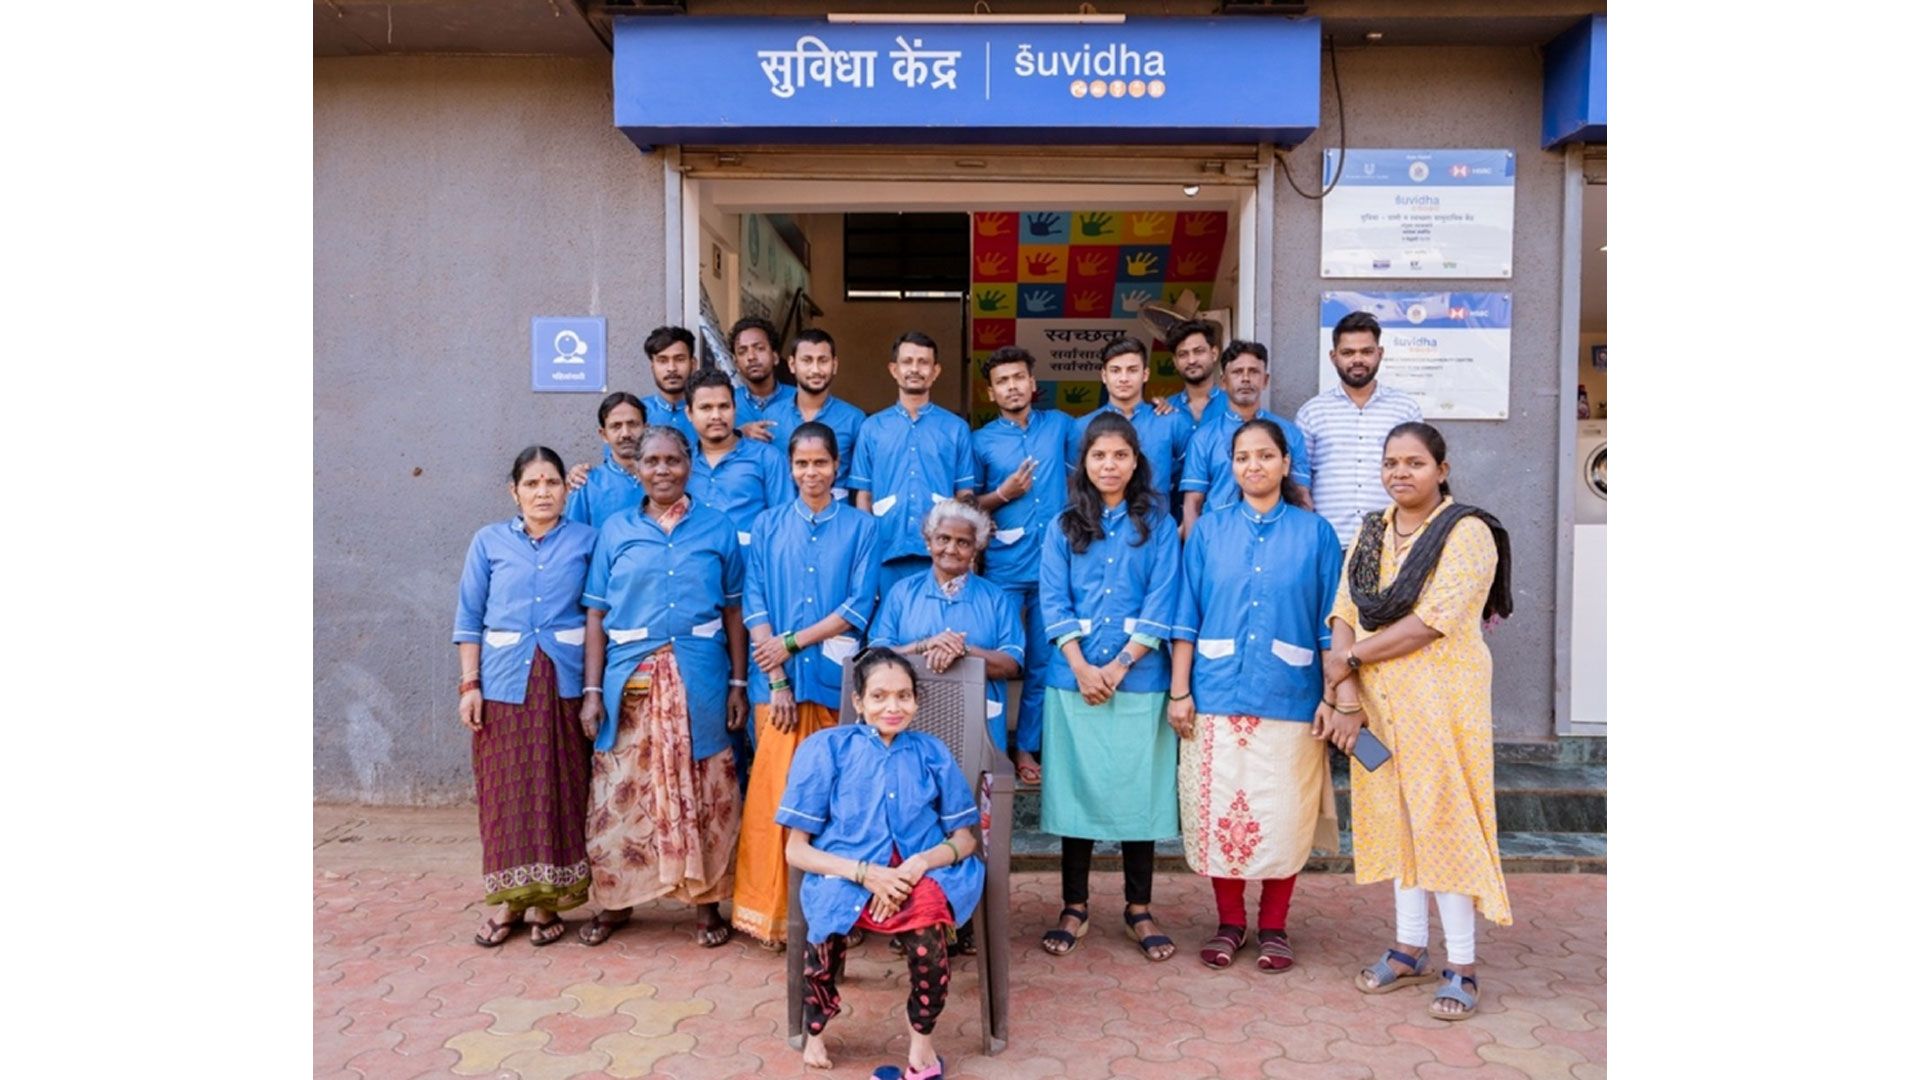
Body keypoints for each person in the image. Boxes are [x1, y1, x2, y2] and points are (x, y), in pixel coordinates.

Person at [1325, 421, 1515, 1022]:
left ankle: (1462, 963)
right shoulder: (1372, 531)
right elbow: (1344, 610)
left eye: (1414, 463)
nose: (1400, 473)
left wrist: (1349, 660)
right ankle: (1409, 948)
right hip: (1380, 702)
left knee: (1444, 822)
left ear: (1442, 469)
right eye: (1391, 463)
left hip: (1442, 705)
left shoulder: (1467, 533)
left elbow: (1432, 620)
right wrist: (1346, 691)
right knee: (1396, 818)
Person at [1169, 419, 1343, 973]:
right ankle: (1229, 923)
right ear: (1232, 466)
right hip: (1215, 694)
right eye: (1243, 457)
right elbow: (1186, 615)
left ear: (1286, 463)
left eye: (1265, 456)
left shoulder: (1315, 534)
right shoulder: (1209, 531)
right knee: (1223, 815)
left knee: (1282, 817)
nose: (1254, 466)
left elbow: (1332, 624)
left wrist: (1333, 695)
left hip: (1291, 696)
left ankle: (1274, 926)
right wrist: (1179, 691)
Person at [576, 425, 749, 949]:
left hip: (702, 679)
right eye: (652, 461)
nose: (662, 470)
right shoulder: (616, 530)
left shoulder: (718, 528)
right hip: (630, 683)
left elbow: (734, 610)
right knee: (621, 790)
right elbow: (595, 613)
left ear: (689, 464)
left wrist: (738, 682)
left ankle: (706, 903)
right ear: (638, 468)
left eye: (673, 460)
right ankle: (617, 900)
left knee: (706, 787)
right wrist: (591, 692)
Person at [780, 648, 983, 1078]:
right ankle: (815, 1029)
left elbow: (965, 839)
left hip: (920, 870)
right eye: (879, 696)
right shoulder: (826, 749)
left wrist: (917, 866)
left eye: (904, 696)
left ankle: (922, 1045)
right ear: (858, 701)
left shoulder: (932, 752)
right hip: (845, 871)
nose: (893, 707)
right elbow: (796, 851)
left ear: (916, 701)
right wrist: (867, 875)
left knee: (928, 932)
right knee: (828, 917)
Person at [1035, 413, 1183, 963]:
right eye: (1099, 455)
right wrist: (1080, 666)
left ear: (1136, 461)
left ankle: (1138, 907)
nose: (1109, 465)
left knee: (1138, 795)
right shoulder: (1063, 525)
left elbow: (1163, 599)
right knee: (1077, 795)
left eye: (1120, 455)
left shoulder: (1158, 524)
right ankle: (1073, 906)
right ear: (1084, 463)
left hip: (1139, 682)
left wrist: (1120, 666)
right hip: (1073, 682)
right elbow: (1054, 600)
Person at [731, 422, 881, 950]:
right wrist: (777, 678)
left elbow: (857, 607)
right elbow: (754, 603)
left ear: (837, 466)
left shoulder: (862, 528)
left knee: (839, 803)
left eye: (821, 463)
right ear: (790, 467)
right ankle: (772, 916)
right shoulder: (768, 525)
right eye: (802, 463)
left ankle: (838, 918)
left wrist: (792, 643)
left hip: (835, 682)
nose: (811, 473)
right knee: (776, 797)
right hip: (778, 689)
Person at [453, 446, 598, 947]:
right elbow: (469, 618)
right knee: (506, 794)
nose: (542, 492)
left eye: (551, 482)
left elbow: (598, 615)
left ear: (565, 489)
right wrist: (470, 685)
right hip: (502, 685)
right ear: (513, 492)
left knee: (560, 788)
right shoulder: (488, 542)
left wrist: (593, 690)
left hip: (563, 682)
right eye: (532, 484)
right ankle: (510, 903)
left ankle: (547, 902)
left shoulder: (587, 540)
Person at [970, 346, 1074, 785]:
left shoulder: (1062, 426)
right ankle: (989, 747)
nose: (1012, 387)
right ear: (991, 393)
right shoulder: (980, 442)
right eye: (1002, 381)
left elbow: (1108, 439)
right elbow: (967, 505)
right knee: (997, 659)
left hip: (1056, 567)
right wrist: (1003, 495)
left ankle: (1027, 746)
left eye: (1018, 378)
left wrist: (1161, 407)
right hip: (1004, 568)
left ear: (1033, 383)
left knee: (1043, 663)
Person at [869, 500, 1024, 755]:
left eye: (963, 542)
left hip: (978, 726)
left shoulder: (996, 598)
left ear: (976, 549)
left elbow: (1011, 663)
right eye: (943, 539)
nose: (951, 549)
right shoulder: (902, 593)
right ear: (928, 542)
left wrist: (963, 651)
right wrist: (924, 646)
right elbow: (875, 656)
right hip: (913, 722)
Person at [850, 331, 976, 601]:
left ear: (936, 371)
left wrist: (967, 554)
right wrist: (865, 553)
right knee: (887, 624)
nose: (915, 369)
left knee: (940, 622)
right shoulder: (872, 428)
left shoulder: (956, 429)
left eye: (923, 362)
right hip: (885, 550)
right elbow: (864, 497)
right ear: (894, 369)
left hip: (942, 553)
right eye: (907, 361)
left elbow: (965, 496)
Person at [1294, 311, 1424, 542]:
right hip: (1329, 539)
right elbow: (1299, 483)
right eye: (1348, 352)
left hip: (1391, 541)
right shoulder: (1312, 413)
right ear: (1333, 356)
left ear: (1380, 353)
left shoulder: (1405, 410)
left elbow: (1417, 476)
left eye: (1366, 351)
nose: (1357, 359)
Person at [1179, 340, 1312, 536]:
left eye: (1254, 372)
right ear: (1223, 382)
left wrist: (1304, 542)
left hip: (1277, 537)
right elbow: (1192, 504)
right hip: (1219, 538)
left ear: (1265, 380)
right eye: (1237, 372)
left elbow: (1302, 497)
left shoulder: (1289, 434)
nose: (1246, 379)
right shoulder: (1204, 437)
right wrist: (1194, 549)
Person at [1071, 336, 1195, 512]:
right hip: (1097, 526)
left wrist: (1182, 523)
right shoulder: (1082, 427)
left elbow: (1192, 481)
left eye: (1132, 370)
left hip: (1157, 525)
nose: (1124, 378)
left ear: (1145, 374)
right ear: (1104, 376)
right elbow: (1075, 484)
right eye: (1115, 370)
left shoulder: (1171, 421)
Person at [685, 366, 795, 543]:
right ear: (689, 413)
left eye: (724, 406)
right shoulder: (682, 462)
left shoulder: (767, 458)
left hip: (750, 559)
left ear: (734, 408)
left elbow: (784, 523)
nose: (716, 415)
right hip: (695, 558)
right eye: (706, 408)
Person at [762, 327, 866, 499]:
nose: (816, 369)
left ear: (834, 365)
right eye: (807, 360)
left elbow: (862, 486)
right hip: (783, 513)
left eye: (823, 360)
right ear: (792, 365)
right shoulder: (771, 416)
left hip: (837, 513)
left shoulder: (854, 419)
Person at [563, 392, 650, 527]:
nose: (625, 433)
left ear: (646, 429)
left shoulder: (663, 478)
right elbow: (574, 536)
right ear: (603, 435)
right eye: (616, 426)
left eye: (632, 424)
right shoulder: (586, 483)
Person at [727, 316, 792, 441]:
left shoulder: (798, 400)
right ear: (736, 363)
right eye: (742, 351)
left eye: (759, 348)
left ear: (775, 357)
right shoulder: (726, 403)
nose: (751, 357)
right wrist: (739, 433)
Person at [639, 325, 702, 446]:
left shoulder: (709, 412)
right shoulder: (638, 414)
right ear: (653, 367)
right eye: (663, 361)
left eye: (680, 359)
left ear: (693, 364)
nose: (672, 368)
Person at [1167, 318, 1231, 428]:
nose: (1191, 360)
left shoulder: (1234, 406)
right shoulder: (1165, 410)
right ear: (1175, 362)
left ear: (1214, 354)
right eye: (1183, 354)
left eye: (1198, 351)